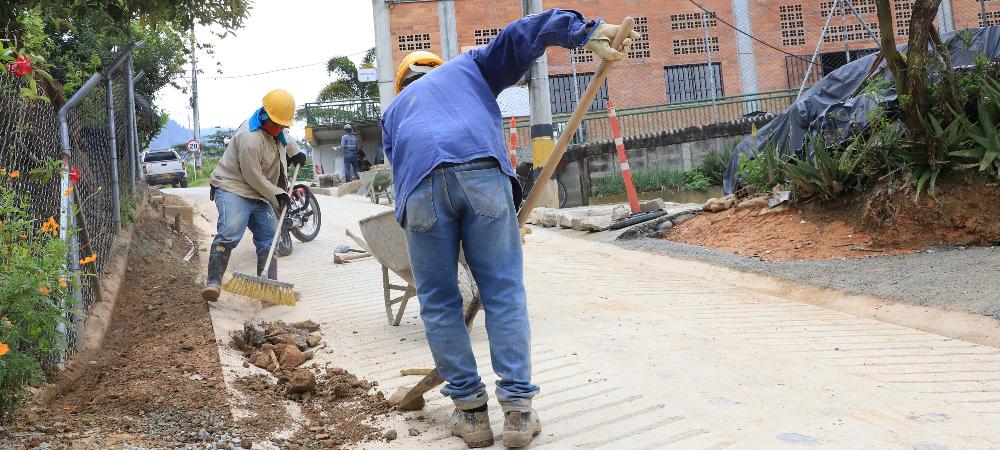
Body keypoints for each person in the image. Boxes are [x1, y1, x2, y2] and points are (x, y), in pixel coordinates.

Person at [381, 9, 636, 448]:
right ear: (439, 71)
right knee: (503, 294)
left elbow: (401, 169)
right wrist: (589, 31)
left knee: (440, 303)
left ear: (403, 82)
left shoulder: (393, 111)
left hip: (420, 191)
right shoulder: (468, 69)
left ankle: (472, 415)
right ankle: (518, 414)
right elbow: (524, 32)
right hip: (482, 177)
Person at [201, 89, 307, 302]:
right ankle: (213, 283)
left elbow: (285, 136)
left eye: (282, 125)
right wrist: (277, 193)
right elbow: (253, 176)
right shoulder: (250, 138)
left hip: (260, 193)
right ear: (265, 116)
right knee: (231, 232)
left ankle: (268, 291)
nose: (280, 129)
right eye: (276, 124)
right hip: (234, 187)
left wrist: (295, 152)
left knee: (271, 237)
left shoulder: (277, 129)